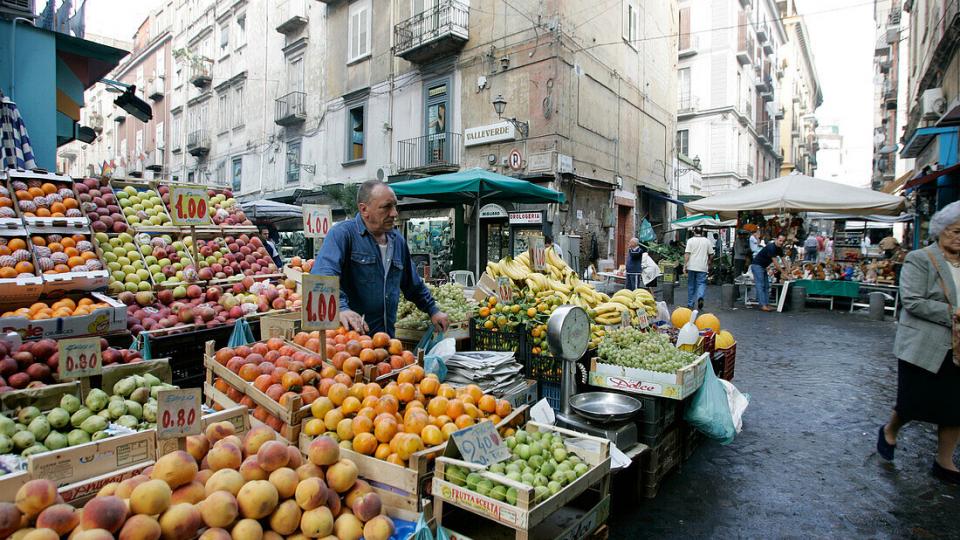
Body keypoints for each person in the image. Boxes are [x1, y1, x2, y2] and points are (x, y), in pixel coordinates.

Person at [877, 201, 960, 484]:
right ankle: (890, 429)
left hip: (958, 346)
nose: (959, 238)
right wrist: (953, 313)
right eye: (955, 232)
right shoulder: (921, 258)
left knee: (955, 407)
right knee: (912, 402)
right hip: (925, 345)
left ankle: (944, 461)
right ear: (941, 231)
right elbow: (911, 300)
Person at [313, 179, 449, 336]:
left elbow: (412, 284)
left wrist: (433, 310)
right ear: (364, 210)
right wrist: (340, 308)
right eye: (386, 207)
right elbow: (321, 276)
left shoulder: (397, 241)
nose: (394, 213)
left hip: (385, 341)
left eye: (395, 206)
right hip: (351, 343)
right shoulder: (343, 234)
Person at [751, 234, 786, 312]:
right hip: (757, 266)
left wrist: (789, 270)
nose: (781, 243)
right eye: (780, 240)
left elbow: (784, 260)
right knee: (761, 285)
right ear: (776, 239)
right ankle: (763, 305)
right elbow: (776, 263)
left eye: (783, 241)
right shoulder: (771, 247)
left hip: (762, 267)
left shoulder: (779, 248)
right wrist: (783, 272)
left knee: (766, 286)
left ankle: (766, 304)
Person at [684, 228, 714, 310]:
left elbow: (687, 254)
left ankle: (690, 303)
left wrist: (685, 265)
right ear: (702, 232)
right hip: (702, 267)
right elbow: (711, 254)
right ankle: (700, 296)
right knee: (701, 283)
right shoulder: (707, 241)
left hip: (691, 266)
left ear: (694, 232)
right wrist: (709, 261)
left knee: (691, 285)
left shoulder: (690, 241)